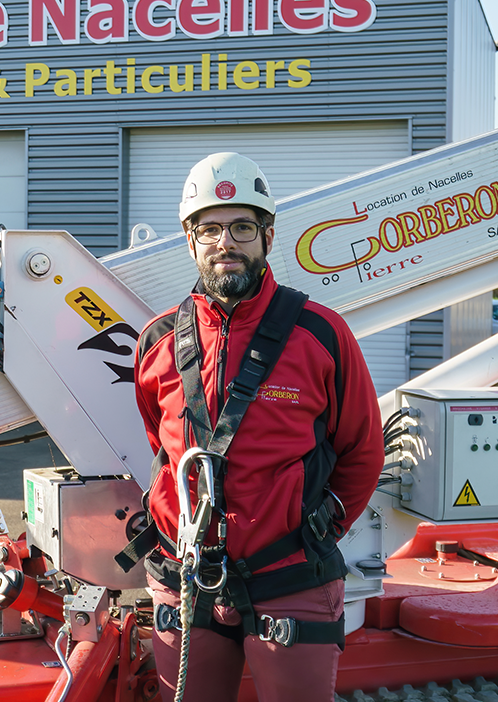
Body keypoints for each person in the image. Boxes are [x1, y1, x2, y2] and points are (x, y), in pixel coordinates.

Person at [132, 152, 383, 702]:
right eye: (211, 229)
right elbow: (163, 445)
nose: (227, 242)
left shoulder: (321, 335)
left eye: (242, 227)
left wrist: (318, 529)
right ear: (190, 240)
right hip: (185, 578)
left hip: (290, 576)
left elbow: (362, 451)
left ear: (267, 236)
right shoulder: (156, 343)